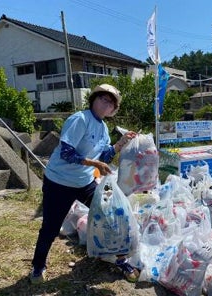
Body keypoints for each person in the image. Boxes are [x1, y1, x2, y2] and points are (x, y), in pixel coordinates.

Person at [30, 84, 138, 284]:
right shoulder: (80, 119)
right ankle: (38, 266)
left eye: (111, 102)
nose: (106, 104)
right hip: (58, 182)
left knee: (112, 215)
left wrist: (121, 143)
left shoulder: (103, 127)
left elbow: (104, 154)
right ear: (94, 100)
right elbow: (66, 152)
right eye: (103, 99)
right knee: (50, 228)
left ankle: (121, 260)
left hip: (85, 182)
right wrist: (95, 163)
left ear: (113, 110)